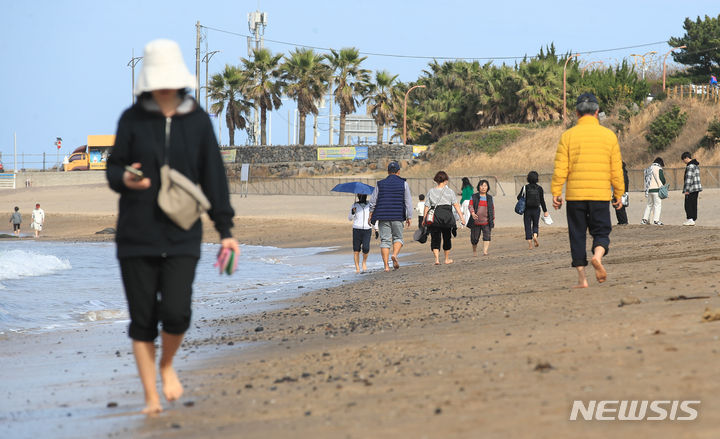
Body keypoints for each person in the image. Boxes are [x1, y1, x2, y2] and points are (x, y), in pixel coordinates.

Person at [106, 39, 239, 415]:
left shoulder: (197, 120)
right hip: (135, 234)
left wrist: (226, 231)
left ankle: (167, 364)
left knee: (178, 312)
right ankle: (151, 397)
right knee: (143, 319)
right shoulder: (132, 119)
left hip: (183, 233)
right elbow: (114, 167)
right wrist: (125, 179)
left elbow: (214, 177)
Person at [551, 92, 624, 288]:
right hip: (600, 194)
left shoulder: (568, 136)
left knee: (577, 234)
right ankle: (598, 256)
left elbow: (560, 168)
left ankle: (582, 280)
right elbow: (616, 169)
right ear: (597, 112)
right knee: (601, 231)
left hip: (575, 195)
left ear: (576, 113)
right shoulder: (608, 136)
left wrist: (556, 192)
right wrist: (619, 193)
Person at [368, 161, 413, 271]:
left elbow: (373, 201)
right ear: (398, 172)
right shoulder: (404, 184)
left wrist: (370, 214)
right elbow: (408, 202)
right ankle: (395, 255)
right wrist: (409, 216)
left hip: (383, 216)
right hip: (398, 215)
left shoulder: (380, 183)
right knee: (398, 238)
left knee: (385, 241)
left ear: (388, 172)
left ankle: (386, 266)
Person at [423, 171, 465, 265]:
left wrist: (424, 218)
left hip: (435, 216)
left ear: (436, 180)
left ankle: (437, 259)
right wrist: (461, 217)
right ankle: (446, 259)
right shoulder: (450, 192)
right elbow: (456, 205)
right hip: (447, 216)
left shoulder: (431, 191)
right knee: (447, 237)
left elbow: (426, 206)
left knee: (435, 238)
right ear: (446, 180)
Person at [519, 171, 549, 249]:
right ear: (537, 178)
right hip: (536, 209)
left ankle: (530, 244)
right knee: (535, 224)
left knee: (527, 226)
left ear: (528, 178)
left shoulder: (525, 187)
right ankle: (535, 236)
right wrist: (545, 211)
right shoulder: (539, 188)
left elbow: (519, 197)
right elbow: (542, 200)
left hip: (527, 210)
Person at [467, 179, 494, 256]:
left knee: (487, 236)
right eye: (481, 186)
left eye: (485, 186)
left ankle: (485, 251)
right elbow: (470, 205)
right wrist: (472, 213)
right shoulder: (474, 196)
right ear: (478, 187)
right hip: (476, 221)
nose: (483, 187)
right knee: (474, 239)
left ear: (487, 187)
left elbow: (492, 209)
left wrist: (492, 219)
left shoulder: (489, 198)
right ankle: (474, 251)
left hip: (486, 221)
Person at [349, 194, 372, 273]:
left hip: (367, 229)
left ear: (366, 196)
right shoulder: (354, 205)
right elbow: (350, 218)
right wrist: (352, 212)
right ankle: (357, 268)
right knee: (356, 250)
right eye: (360, 196)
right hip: (357, 229)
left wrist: (376, 229)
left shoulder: (370, 205)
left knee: (366, 248)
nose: (361, 197)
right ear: (358, 196)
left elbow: (373, 216)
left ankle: (364, 262)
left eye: (363, 195)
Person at [641, 157, 666, 225]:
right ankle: (656, 220)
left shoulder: (648, 168)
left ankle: (644, 220)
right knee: (657, 205)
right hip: (656, 189)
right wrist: (662, 184)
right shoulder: (658, 168)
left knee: (649, 205)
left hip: (649, 190)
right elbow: (662, 179)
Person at [681, 151, 702, 225]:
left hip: (691, 189)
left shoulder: (690, 166)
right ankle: (693, 219)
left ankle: (690, 219)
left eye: (683, 160)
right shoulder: (696, 165)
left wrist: (686, 190)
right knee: (694, 204)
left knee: (688, 204)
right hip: (697, 188)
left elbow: (689, 179)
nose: (684, 162)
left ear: (686, 158)